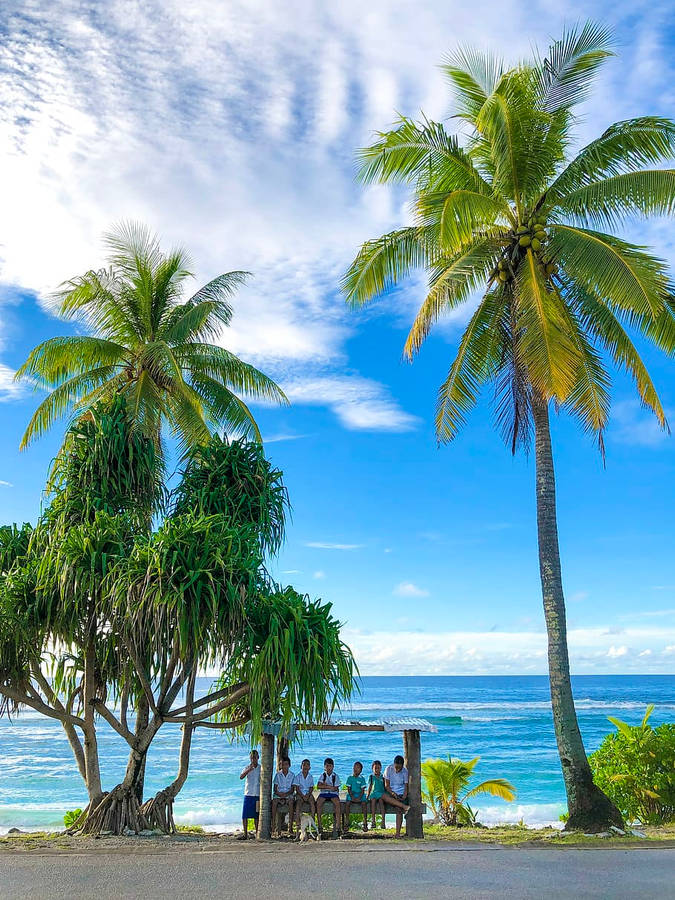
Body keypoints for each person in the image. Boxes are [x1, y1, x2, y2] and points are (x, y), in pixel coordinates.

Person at [384, 754, 411, 837]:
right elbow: (386, 786)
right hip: (391, 792)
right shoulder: (388, 769)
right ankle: (404, 806)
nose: (397, 769)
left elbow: (406, 786)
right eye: (396, 767)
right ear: (394, 764)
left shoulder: (405, 771)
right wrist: (392, 793)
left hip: (401, 793)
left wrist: (404, 796)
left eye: (399, 768)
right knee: (384, 796)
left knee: (398, 810)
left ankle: (397, 834)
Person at [316, 757, 341, 838]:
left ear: (333, 767)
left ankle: (338, 825)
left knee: (337, 803)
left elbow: (336, 788)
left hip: (333, 794)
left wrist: (326, 786)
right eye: (327, 766)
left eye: (330, 766)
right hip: (324, 793)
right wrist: (329, 787)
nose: (328, 768)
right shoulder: (323, 775)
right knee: (318, 802)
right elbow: (318, 786)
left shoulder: (335, 776)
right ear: (324, 767)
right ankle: (320, 824)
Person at [238, 749, 260, 840]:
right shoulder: (247, 767)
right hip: (248, 793)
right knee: (245, 815)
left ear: (257, 758)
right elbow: (241, 777)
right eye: (251, 758)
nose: (253, 760)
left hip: (257, 793)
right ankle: (245, 833)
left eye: (254, 758)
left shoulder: (261, 768)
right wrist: (249, 770)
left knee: (256, 815)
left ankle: (257, 832)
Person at [272, 756, 295, 837]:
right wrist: (280, 795)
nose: (284, 766)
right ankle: (273, 825)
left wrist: (285, 795)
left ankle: (290, 827)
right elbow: (275, 789)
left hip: (288, 794)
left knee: (291, 802)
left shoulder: (292, 775)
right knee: (274, 802)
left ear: (289, 765)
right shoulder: (278, 775)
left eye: (286, 764)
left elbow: (292, 789)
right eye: (282, 764)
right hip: (279, 794)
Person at [293, 758, 315, 840]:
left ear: (310, 767)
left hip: (308, 793)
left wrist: (308, 795)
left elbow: (311, 787)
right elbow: (297, 788)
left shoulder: (310, 776)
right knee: (298, 804)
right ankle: (298, 822)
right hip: (300, 793)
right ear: (301, 766)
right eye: (304, 765)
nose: (305, 766)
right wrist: (302, 796)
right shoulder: (298, 776)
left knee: (312, 803)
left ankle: (312, 818)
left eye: (307, 765)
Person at [344, 760, 368, 833]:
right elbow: (349, 789)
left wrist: (359, 798)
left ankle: (365, 821)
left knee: (364, 803)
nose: (355, 769)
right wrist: (353, 797)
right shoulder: (350, 778)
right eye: (354, 767)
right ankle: (347, 820)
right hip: (352, 794)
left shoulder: (362, 778)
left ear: (361, 770)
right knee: (347, 803)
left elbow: (363, 790)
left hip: (360, 794)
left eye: (357, 768)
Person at [366, 759, 386, 829]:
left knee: (381, 802)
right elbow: (370, 787)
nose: (377, 770)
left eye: (378, 768)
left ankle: (383, 821)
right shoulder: (371, 777)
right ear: (372, 769)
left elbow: (384, 786)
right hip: (374, 793)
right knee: (373, 802)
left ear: (381, 768)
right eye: (375, 768)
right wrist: (367, 796)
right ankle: (373, 821)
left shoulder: (383, 777)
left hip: (381, 793)